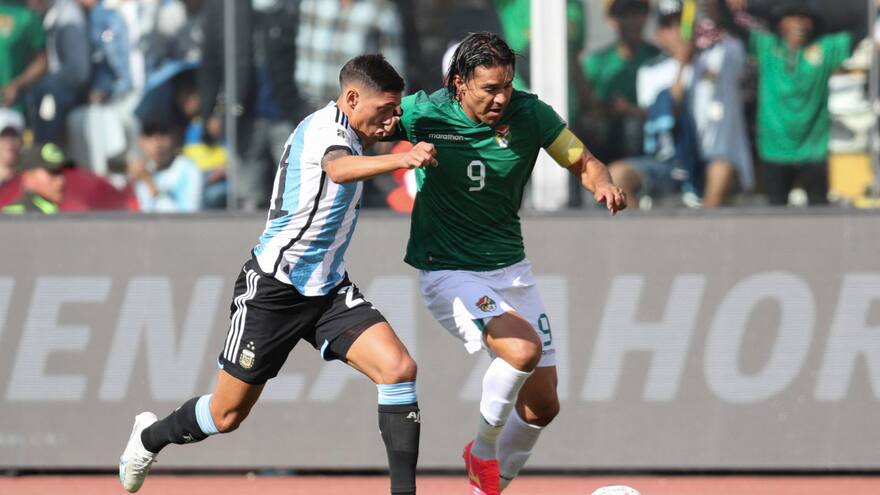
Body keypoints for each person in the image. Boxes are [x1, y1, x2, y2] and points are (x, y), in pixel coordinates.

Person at [118, 54, 436, 495]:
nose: (390, 123)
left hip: (327, 288)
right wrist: (402, 161)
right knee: (225, 416)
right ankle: (148, 438)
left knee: (399, 369)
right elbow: (339, 170)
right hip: (273, 287)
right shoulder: (329, 131)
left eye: (394, 112)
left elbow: (416, 119)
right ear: (350, 98)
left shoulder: (361, 125)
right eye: (383, 111)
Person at [392, 32, 626, 494]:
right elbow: (362, 123)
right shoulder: (424, 113)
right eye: (489, 89)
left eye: (507, 86)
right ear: (458, 84)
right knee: (521, 350)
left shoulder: (529, 113)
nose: (501, 98)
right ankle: (482, 451)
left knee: (543, 407)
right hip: (448, 269)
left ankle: (486, 490)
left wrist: (602, 183)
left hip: (511, 269)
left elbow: (582, 160)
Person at [748, 0, 852, 205]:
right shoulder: (766, 46)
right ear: (779, 23)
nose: (799, 24)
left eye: (804, 18)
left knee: (819, 214)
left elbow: (859, 23)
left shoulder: (824, 49)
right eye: (792, 17)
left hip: (813, 148)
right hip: (774, 148)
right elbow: (728, 20)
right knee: (775, 215)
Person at [582, 0, 660, 162]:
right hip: (603, 143)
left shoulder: (659, 60)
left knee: (632, 127)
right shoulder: (595, 63)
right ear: (612, 19)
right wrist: (601, 111)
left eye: (637, 11)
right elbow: (584, 109)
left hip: (646, 144)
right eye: (623, 13)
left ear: (646, 16)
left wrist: (630, 111)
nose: (631, 20)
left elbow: (666, 113)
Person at [129, 119, 203, 213]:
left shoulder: (189, 170)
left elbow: (187, 220)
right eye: (150, 134)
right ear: (141, 141)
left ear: (174, 137)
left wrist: (151, 185)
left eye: (163, 133)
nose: (157, 143)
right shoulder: (140, 172)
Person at [2, 142, 66, 214]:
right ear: (27, 176)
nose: (62, 180)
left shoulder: (52, 211)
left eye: (61, 172)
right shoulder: (16, 215)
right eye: (53, 172)